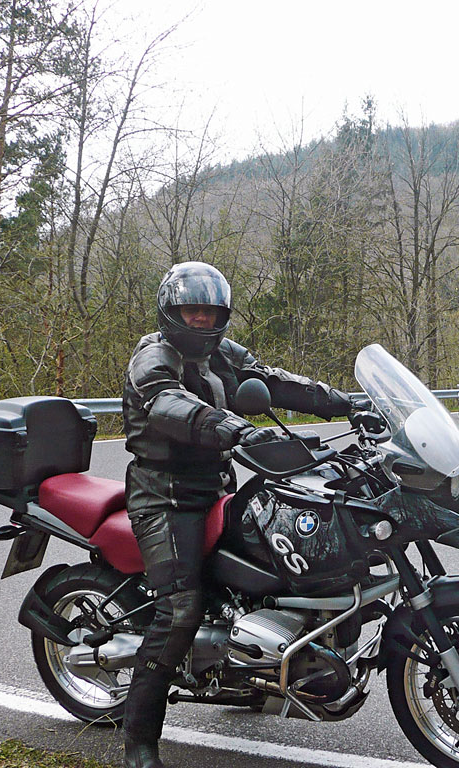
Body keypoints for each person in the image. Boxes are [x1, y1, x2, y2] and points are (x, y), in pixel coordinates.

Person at [121, 262, 355, 768]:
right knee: (179, 609)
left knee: (279, 566)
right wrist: (236, 429)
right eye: (192, 310)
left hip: (218, 486)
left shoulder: (222, 354)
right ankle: (138, 740)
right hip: (165, 497)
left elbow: (275, 382)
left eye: (212, 312)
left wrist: (348, 404)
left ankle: (253, 666)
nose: (202, 320)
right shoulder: (152, 356)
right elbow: (168, 403)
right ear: (171, 310)